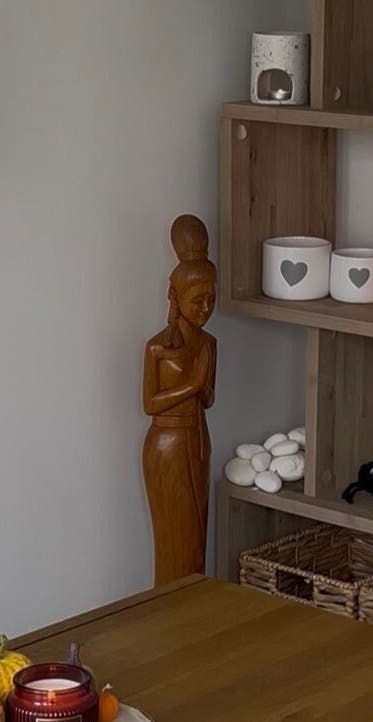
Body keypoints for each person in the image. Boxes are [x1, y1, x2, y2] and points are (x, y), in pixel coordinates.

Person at [142, 215, 217, 585]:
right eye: (197, 300)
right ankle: (167, 615)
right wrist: (192, 385)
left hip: (199, 442)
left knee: (198, 543)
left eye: (211, 299)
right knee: (173, 541)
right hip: (166, 447)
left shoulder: (209, 345)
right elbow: (150, 404)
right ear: (176, 298)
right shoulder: (157, 347)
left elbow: (210, 397)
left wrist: (201, 387)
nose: (205, 308)